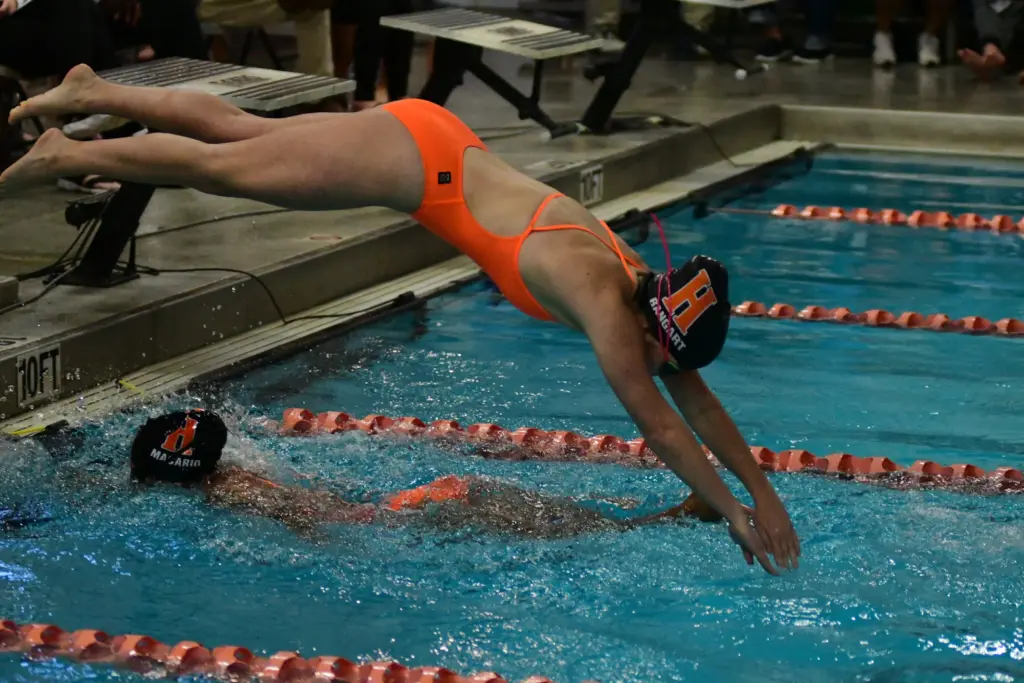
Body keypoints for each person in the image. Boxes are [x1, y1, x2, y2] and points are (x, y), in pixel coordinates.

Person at [2, 64, 800, 575]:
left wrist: (762, 494)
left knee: (244, 133)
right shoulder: (603, 301)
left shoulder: (644, 290)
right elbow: (661, 426)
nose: (662, 369)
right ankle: (72, 154)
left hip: (430, 139)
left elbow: (694, 402)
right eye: (663, 356)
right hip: (416, 166)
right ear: (655, 326)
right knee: (225, 167)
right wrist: (734, 511)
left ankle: (95, 92)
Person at [131, 409, 724, 539]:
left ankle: (668, 518)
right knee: (567, 522)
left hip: (408, 511)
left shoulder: (230, 490)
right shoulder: (237, 473)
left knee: (566, 533)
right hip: (419, 498)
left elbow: (311, 516)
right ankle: (666, 515)